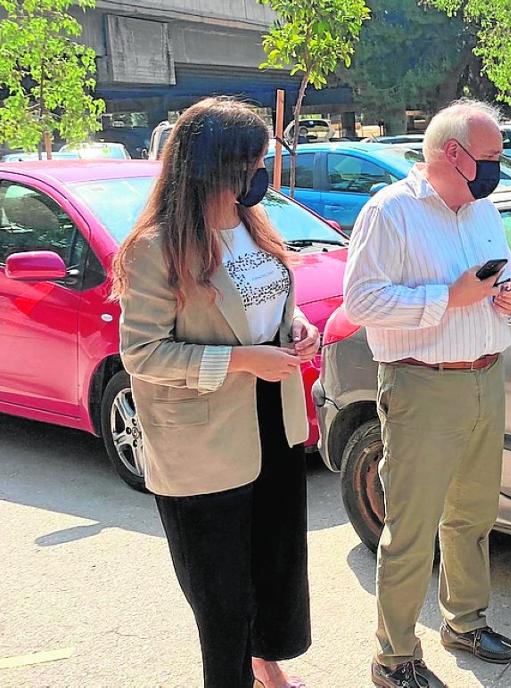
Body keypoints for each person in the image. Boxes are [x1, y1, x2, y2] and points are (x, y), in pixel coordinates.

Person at [112, 97, 320, 688]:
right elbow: (142, 354)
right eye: (256, 161)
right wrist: (245, 360)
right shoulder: (157, 249)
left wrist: (294, 326)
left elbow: (268, 302)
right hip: (202, 442)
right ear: (218, 165)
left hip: (270, 422)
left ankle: (264, 664)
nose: (264, 172)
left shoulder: (254, 224)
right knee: (221, 599)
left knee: (270, 567)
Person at [343, 99, 511, 688]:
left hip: (484, 376)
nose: (502, 166)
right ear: (454, 154)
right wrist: (447, 299)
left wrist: (510, 294)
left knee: (472, 516)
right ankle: (394, 658)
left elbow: (505, 270)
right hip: (422, 383)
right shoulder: (390, 213)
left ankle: (465, 623)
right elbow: (361, 303)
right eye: (493, 156)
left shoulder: (481, 210)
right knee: (411, 528)